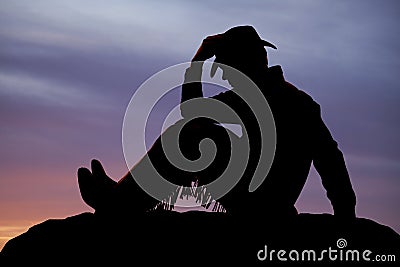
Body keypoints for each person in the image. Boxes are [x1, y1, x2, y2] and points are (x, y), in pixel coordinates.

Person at [78, 25, 356, 219]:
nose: (223, 75)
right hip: (255, 199)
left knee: (190, 135)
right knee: (191, 133)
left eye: (225, 67)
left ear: (243, 64)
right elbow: (192, 117)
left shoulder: (296, 103)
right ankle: (120, 198)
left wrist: (346, 219)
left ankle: (117, 203)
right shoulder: (248, 97)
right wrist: (195, 66)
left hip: (264, 207)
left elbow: (331, 161)